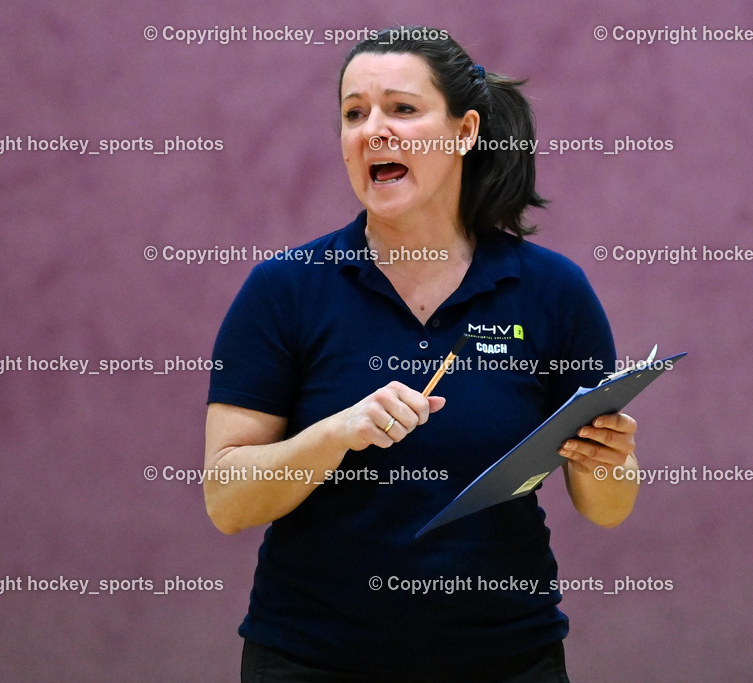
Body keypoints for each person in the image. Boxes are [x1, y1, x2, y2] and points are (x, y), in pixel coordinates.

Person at [205, 26, 640, 682]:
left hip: (507, 659)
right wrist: (338, 433)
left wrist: (613, 460)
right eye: (355, 113)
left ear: (465, 132)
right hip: (312, 659)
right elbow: (225, 499)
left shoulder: (553, 291)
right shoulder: (285, 289)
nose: (372, 130)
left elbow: (607, 506)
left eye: (402, 109)